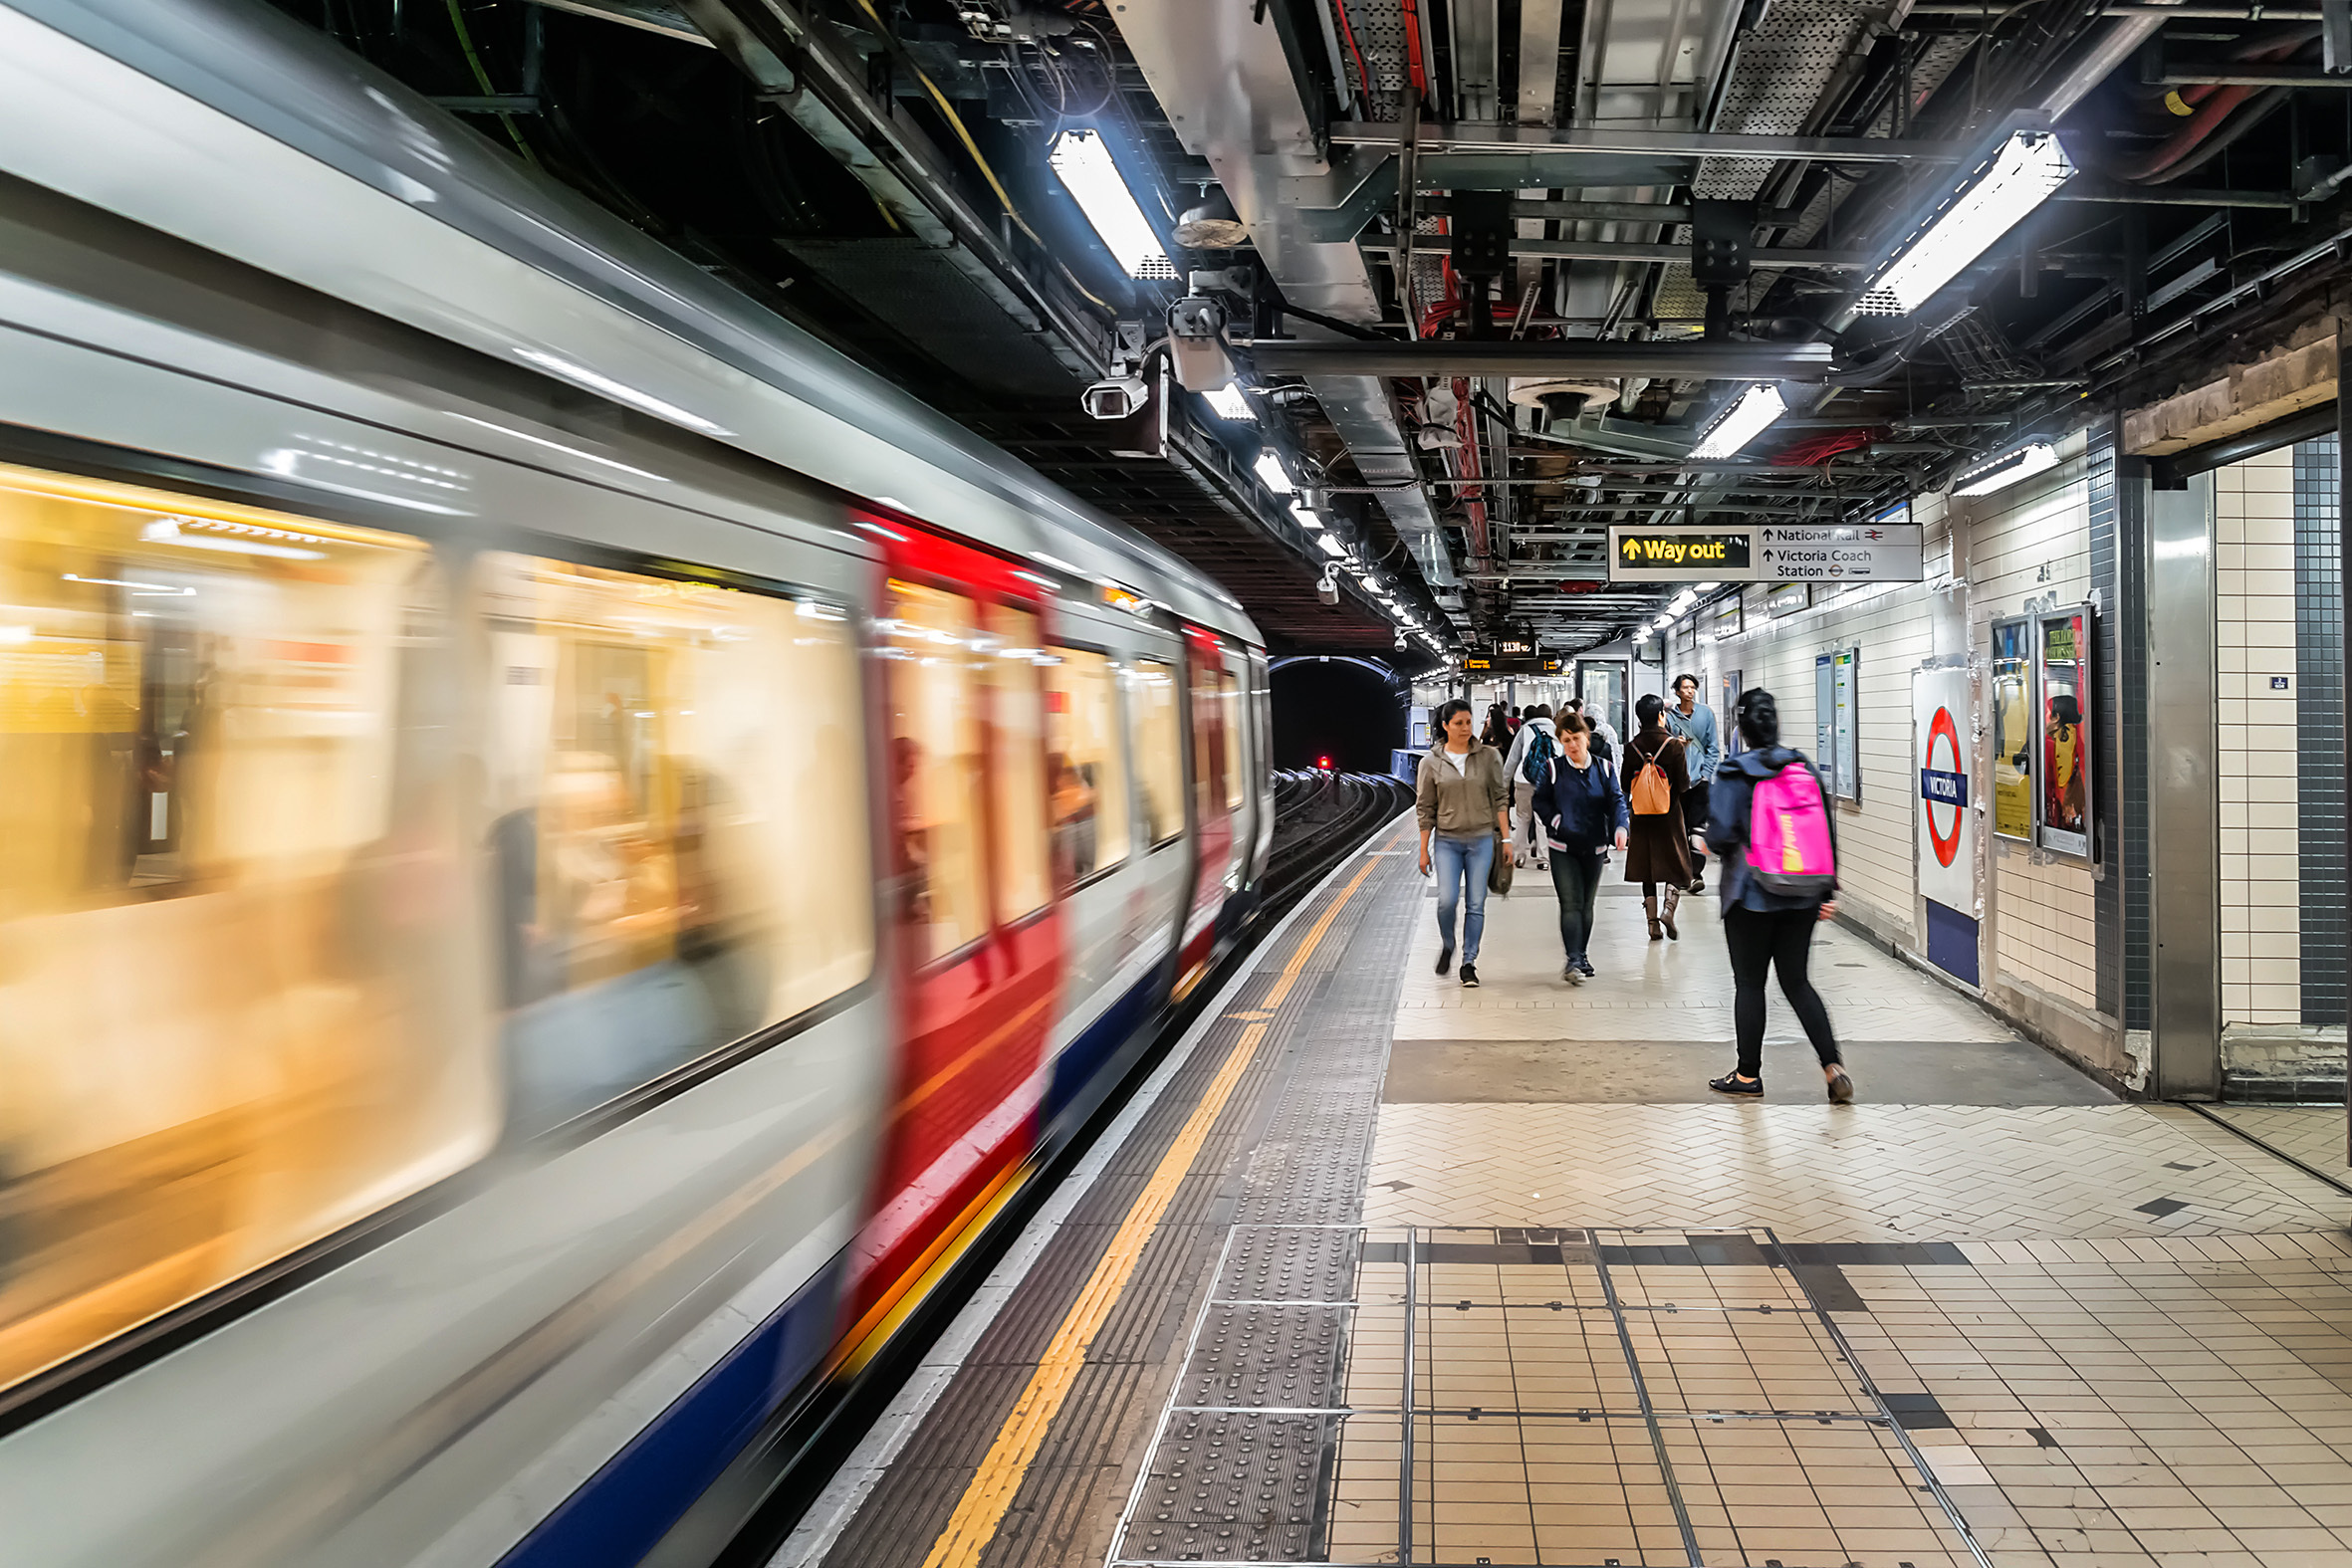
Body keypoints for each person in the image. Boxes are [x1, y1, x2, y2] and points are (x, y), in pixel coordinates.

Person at [1704, 688, 1851, 1103]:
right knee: (1798, 982)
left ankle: (1748, 1075)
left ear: (1742, 730)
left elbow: (1719, 836)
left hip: (1749, 895)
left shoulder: (1733, 773)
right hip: (1803, 894)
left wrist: (1710, 843)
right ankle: (1833, 1066)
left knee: (1750, 984)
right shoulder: (1803, 767)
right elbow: (1825, 831)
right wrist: (1828, 888)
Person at [1416, 698, 1510, 988]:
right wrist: (1423, 849)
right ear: (1445, 726)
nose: (1465, 728)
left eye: (1469, 722)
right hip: (1447, 841)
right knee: (1446, 901)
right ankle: (1448, 944)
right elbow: (1425, 807)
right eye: (1458, 723)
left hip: (1481, 839)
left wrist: (1506, 839)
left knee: (1476, 903)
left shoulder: (1489, 756)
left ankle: (1469, 962)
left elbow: (1500, 798)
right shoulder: (1430, 762)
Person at [1531, 714, 1627, 984]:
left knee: (1586, 904)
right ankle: (1573, 958)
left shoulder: (1605, 769)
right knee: (1570, 902)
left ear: (1587, 737)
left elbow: (1616, 800)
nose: (1572, 745)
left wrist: (1621, 827)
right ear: (1561, 742)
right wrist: (1555, 820)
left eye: (1576, 738)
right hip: (1563, 846)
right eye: (1566, 740)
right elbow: (1540, 801)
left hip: (1595, 845)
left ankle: (1582, 955)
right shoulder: (1553, 768)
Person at [1621, 692, 1693, 941]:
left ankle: (1652, 924)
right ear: (1661, 715)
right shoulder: (1674, 745)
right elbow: (1684, 785)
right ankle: (1668, 910)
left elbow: (1623, 784)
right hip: (1669, 816)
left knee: (1647, 871)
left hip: (1641, 816)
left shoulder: (1632, 747)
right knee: (1675, 866)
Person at [1666, 673, 1722, 894]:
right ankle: (1682, 873)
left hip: (1699, 781)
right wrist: (1673, 744)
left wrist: (1706, 774)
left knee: (1697, 829)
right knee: (1679, 829)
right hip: (1677, 782)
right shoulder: (1670, 717)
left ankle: (1695, 874)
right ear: (1677, 691)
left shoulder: (1705, 714)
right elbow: (1662, 744)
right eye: (1685, 688)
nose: (1689, 691)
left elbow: (1713, 747)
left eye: (1692, 687)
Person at [1501, 703, 1556, 869]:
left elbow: (1512, 760)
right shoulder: (1558, 731)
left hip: (1523, 780)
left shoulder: (1525, 730)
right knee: (1542, 821)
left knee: (1523, 819)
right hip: (1547, 781)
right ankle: (1543, 859)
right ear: (1550, 716)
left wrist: (1504, 784)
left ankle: (1519, 856)